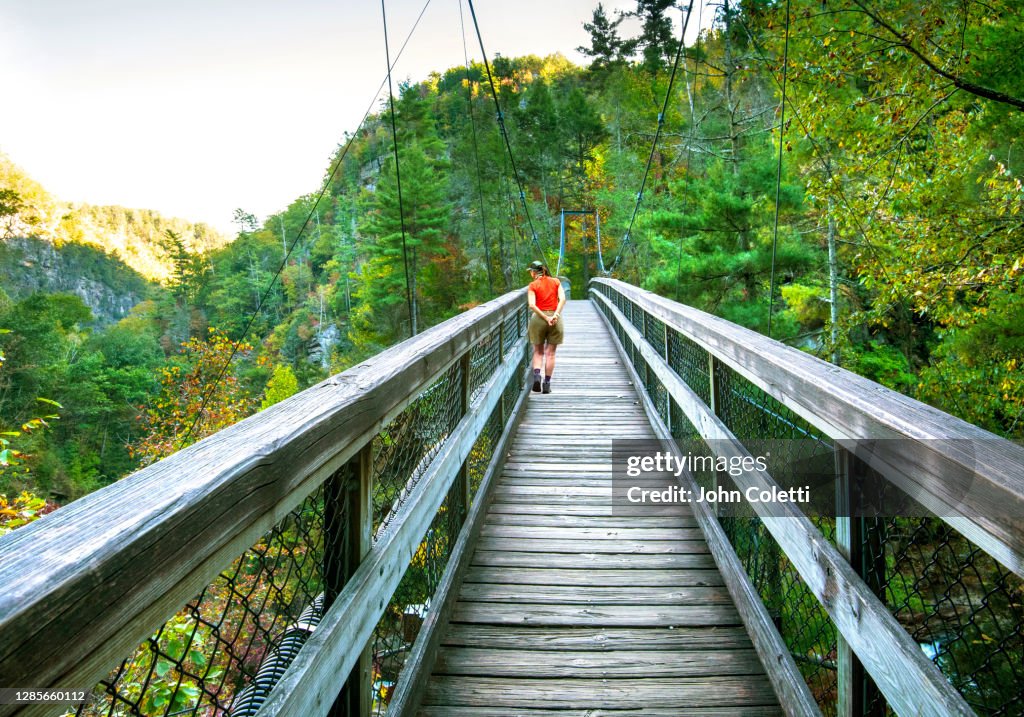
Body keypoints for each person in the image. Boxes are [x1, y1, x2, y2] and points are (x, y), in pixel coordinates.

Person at [526, 260, 566, 394]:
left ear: (534, 272)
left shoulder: (532, 285)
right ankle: (547, 384)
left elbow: (532, 305)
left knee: (538, 351)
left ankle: (537, 375)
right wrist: (555, 315)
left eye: (530, 271)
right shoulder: (556, 282)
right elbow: (563, 299)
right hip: (555, 320)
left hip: (538, 319)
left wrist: (545, 317)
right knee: (551, 353)